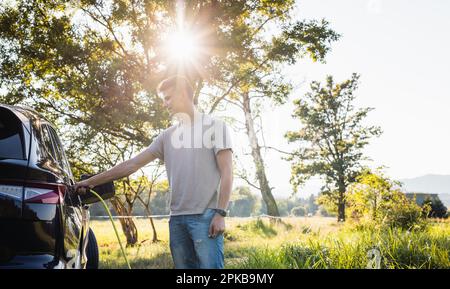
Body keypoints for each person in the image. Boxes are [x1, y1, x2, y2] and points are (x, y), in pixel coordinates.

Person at [74, 75, 233, 269]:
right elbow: (131, 165)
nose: (165, 104)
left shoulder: (215, 127)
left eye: (168, 98)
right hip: (177, 221)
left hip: (206, 217)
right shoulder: (167, 136)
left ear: (183, 94)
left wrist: (221, 214)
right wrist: (91, 182)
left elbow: (227, 172)